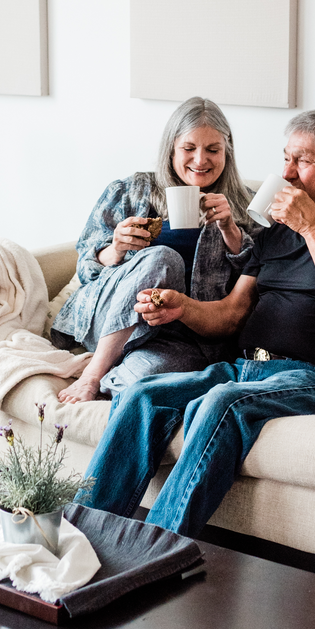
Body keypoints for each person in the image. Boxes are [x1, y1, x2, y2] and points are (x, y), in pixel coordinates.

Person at [82, 107, 315, 538]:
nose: (287, 174)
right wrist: (183, 307)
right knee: (144, 394)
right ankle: (81, 535)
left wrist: (314, 230)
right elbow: (233, 313)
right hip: (250, 367)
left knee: (221, 403)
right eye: (286, 159)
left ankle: (153, 551)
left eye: (303, 161)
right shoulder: (278, 227)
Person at [52, 97, 254, 403]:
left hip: (181, 337)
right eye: (189, 148)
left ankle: (111, 373)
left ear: (228, 151)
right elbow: (86, 267)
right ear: (171, 148)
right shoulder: (130, 191)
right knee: (163, 258)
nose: (200, 160)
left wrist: (230, 229)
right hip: (110, 318)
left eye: (212, 149)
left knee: (139, 386)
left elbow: (254, 282)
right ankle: (92, 375)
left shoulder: (244, 208)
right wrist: (116, 249)